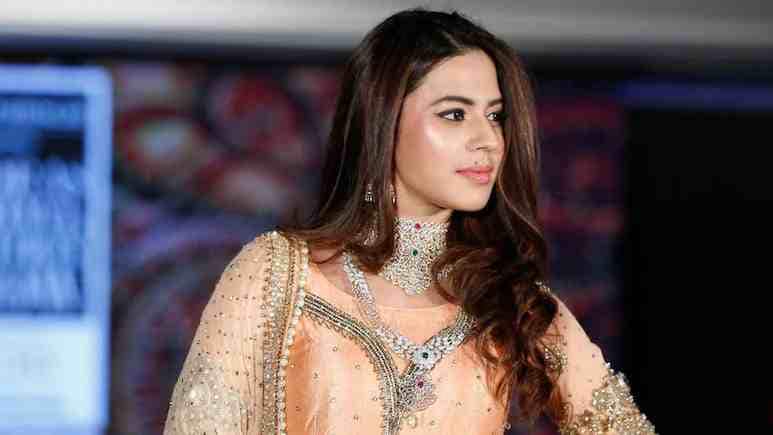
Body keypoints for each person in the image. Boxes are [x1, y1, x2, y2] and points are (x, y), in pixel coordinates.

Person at [162, 8, 656, 435]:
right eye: (455, 115)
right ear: (383, 121)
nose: (488, 140)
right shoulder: (277, 274)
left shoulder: (514, 302)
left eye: (495, 116)